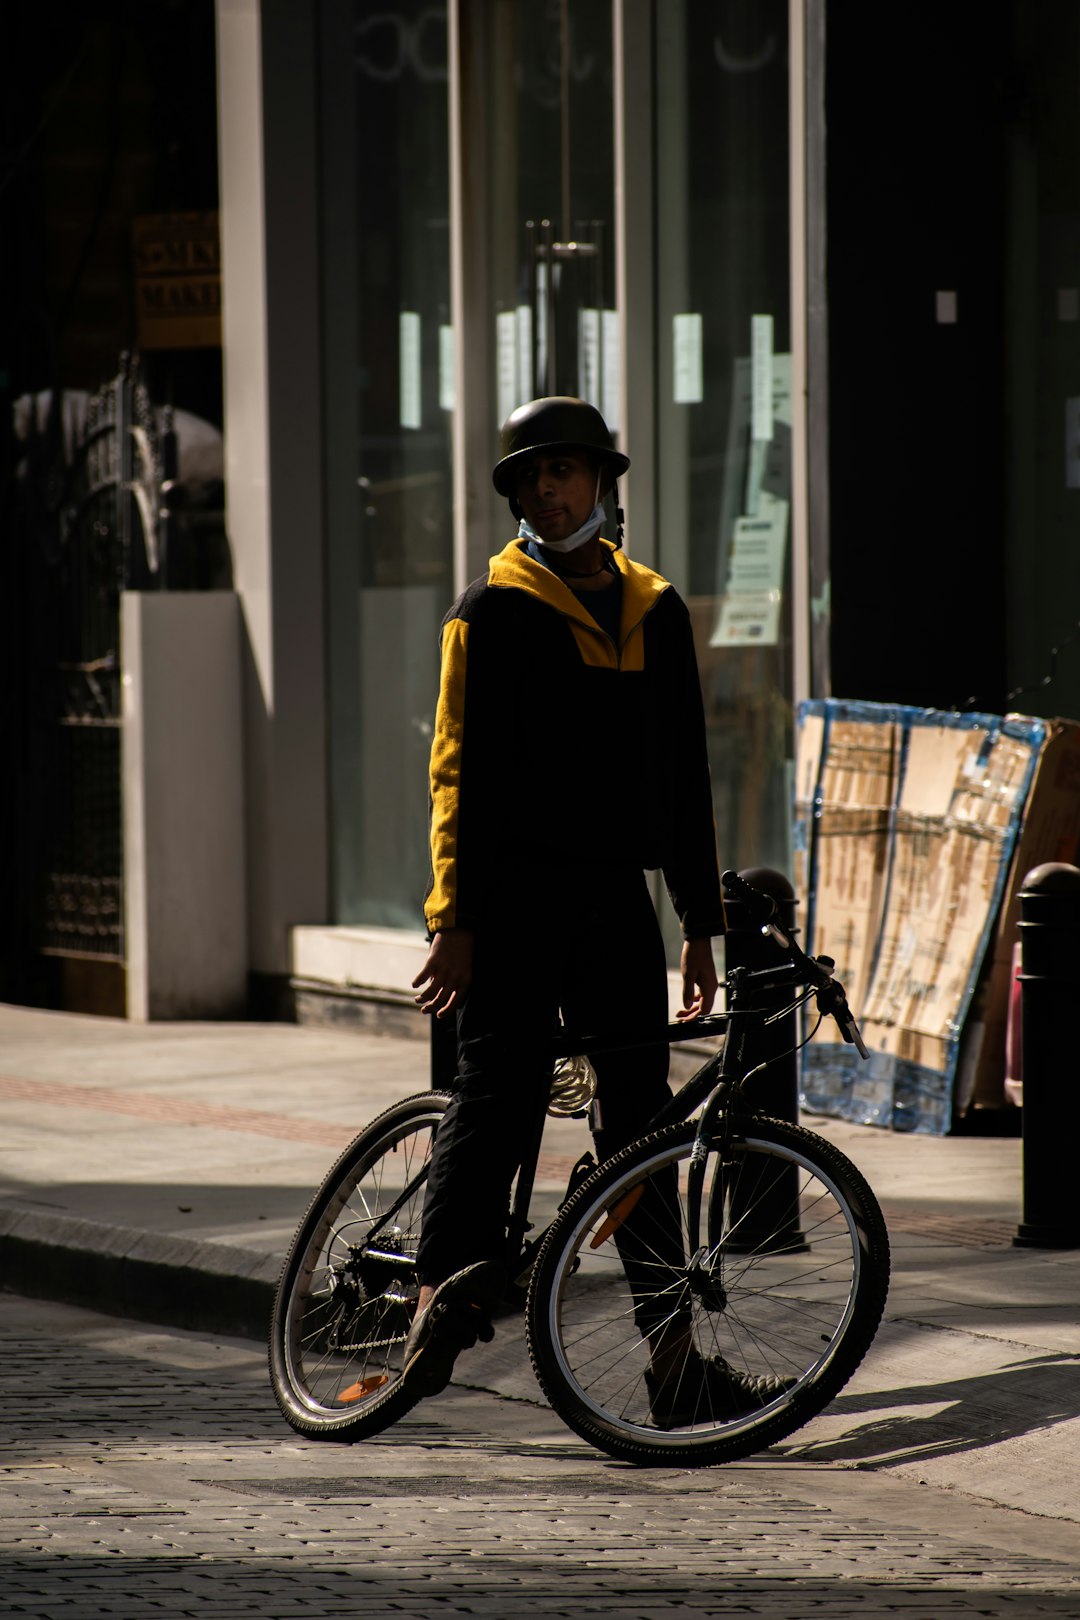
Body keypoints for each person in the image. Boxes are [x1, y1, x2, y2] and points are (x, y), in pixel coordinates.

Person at [405, 396, 789, 1424]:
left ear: (601, 483)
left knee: (640, 1130)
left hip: (618, 904)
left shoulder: (654, 610)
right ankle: (436, 1300)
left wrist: (700, 921)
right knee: (498, 1091)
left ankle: (675, 1365)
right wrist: (454, 917)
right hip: (514, 901)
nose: (547, 488)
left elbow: (682, 778)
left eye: (563, 471)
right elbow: (459, 778)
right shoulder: (486, 613)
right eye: (531, 475)